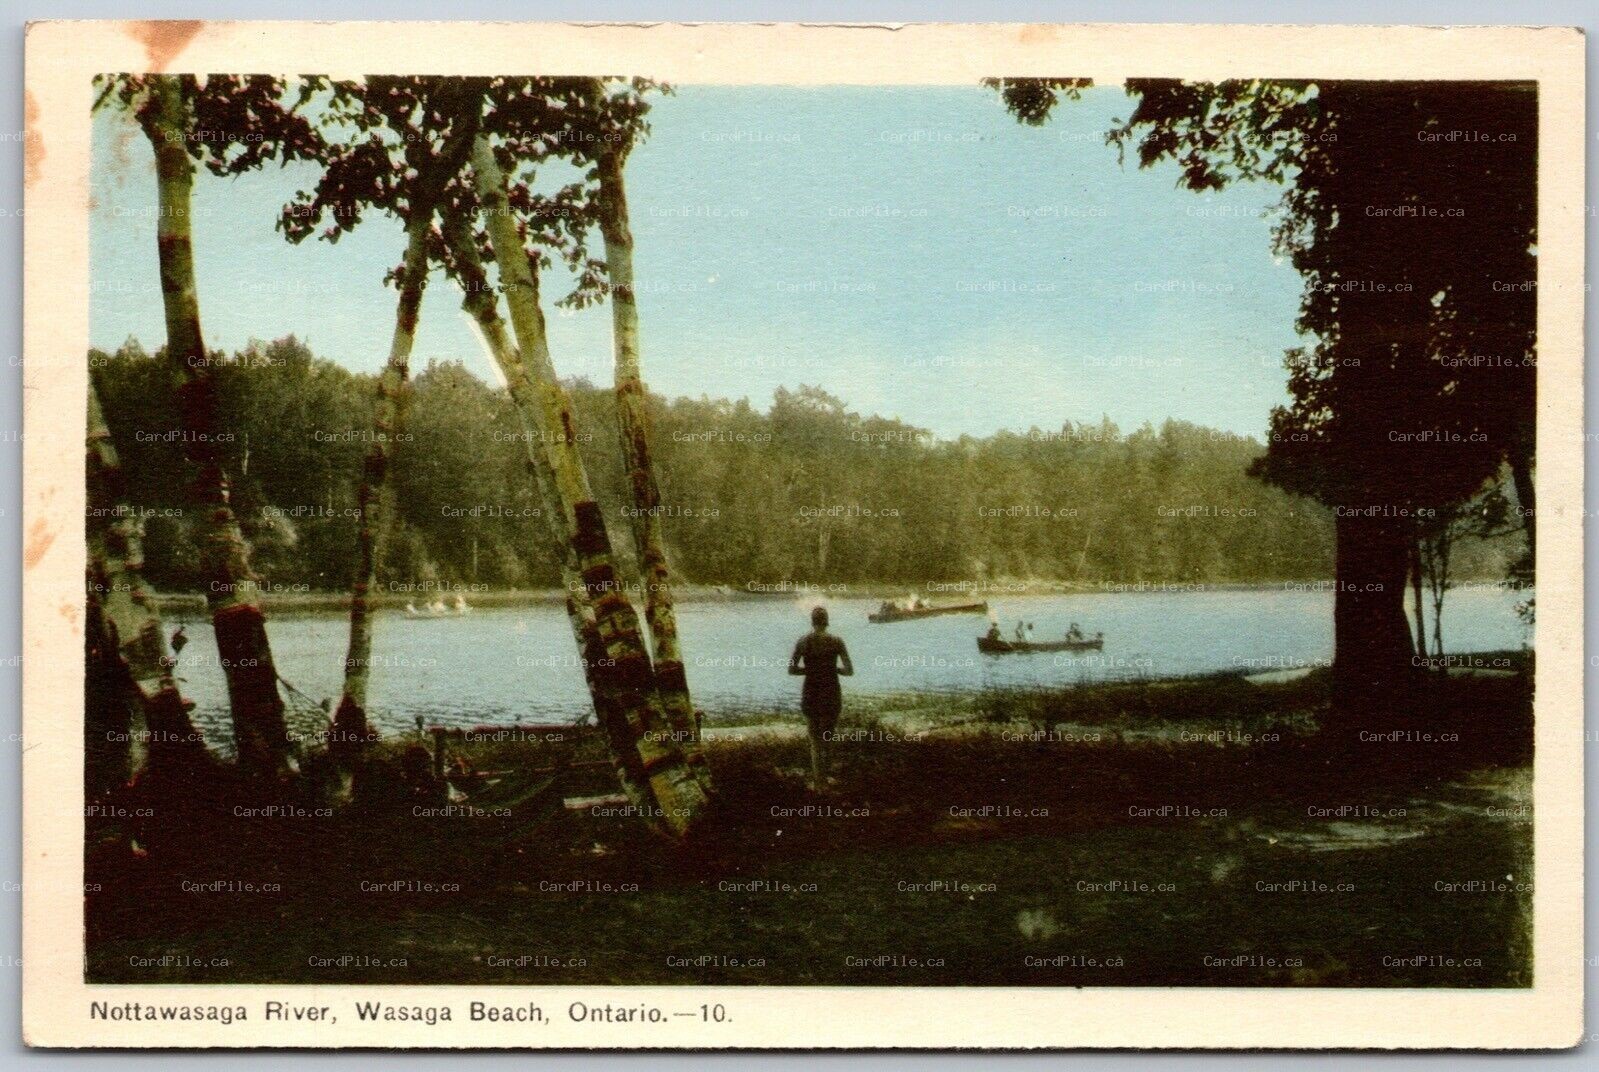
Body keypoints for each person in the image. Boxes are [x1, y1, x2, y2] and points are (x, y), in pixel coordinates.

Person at [789, 606, 853, 789]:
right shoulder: (837, 641)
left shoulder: (803, 641)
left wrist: (809, 670)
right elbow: (849, 671)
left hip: (811, 692)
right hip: (831, 692)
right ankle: (825, 780)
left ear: (812, 621)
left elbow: (792, 670)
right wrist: (833, 669)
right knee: (827, 736)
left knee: (814, 739)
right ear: (826, 621)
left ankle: (818, 783)